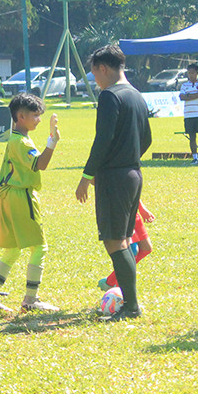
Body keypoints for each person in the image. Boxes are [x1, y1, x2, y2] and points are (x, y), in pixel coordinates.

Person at [75, 45, 152, 322]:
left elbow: (103, 138)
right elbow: (147, 140)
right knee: (124, 239)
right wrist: (128, 157)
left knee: (115, 241)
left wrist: (87, 175)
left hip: (114, 178)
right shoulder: (137, 95)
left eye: (95, 73)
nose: (95, 79)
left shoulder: (109, 96)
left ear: (103, 69)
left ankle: (131, 306)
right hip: (134, 174)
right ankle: (130, 303)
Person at [0, 94, 61, 312]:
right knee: (40, 247)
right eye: (35, 116)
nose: (39, 120)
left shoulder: (16, 139)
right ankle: (30, 300)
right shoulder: (21, 142)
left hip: (9, 196)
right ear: (21, 117)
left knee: (12, 250)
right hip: (21, 196)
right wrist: (52, 141)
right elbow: (40, 164)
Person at [178, 63, 198, 165]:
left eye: (193, 73)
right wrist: (194, 95)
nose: (191, 75)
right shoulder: (184, 85)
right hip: (188, 115)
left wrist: (189, 96)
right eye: (189, 73)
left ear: (197, 73)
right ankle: (195, 157)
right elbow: (181, 97)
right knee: (192, 137)